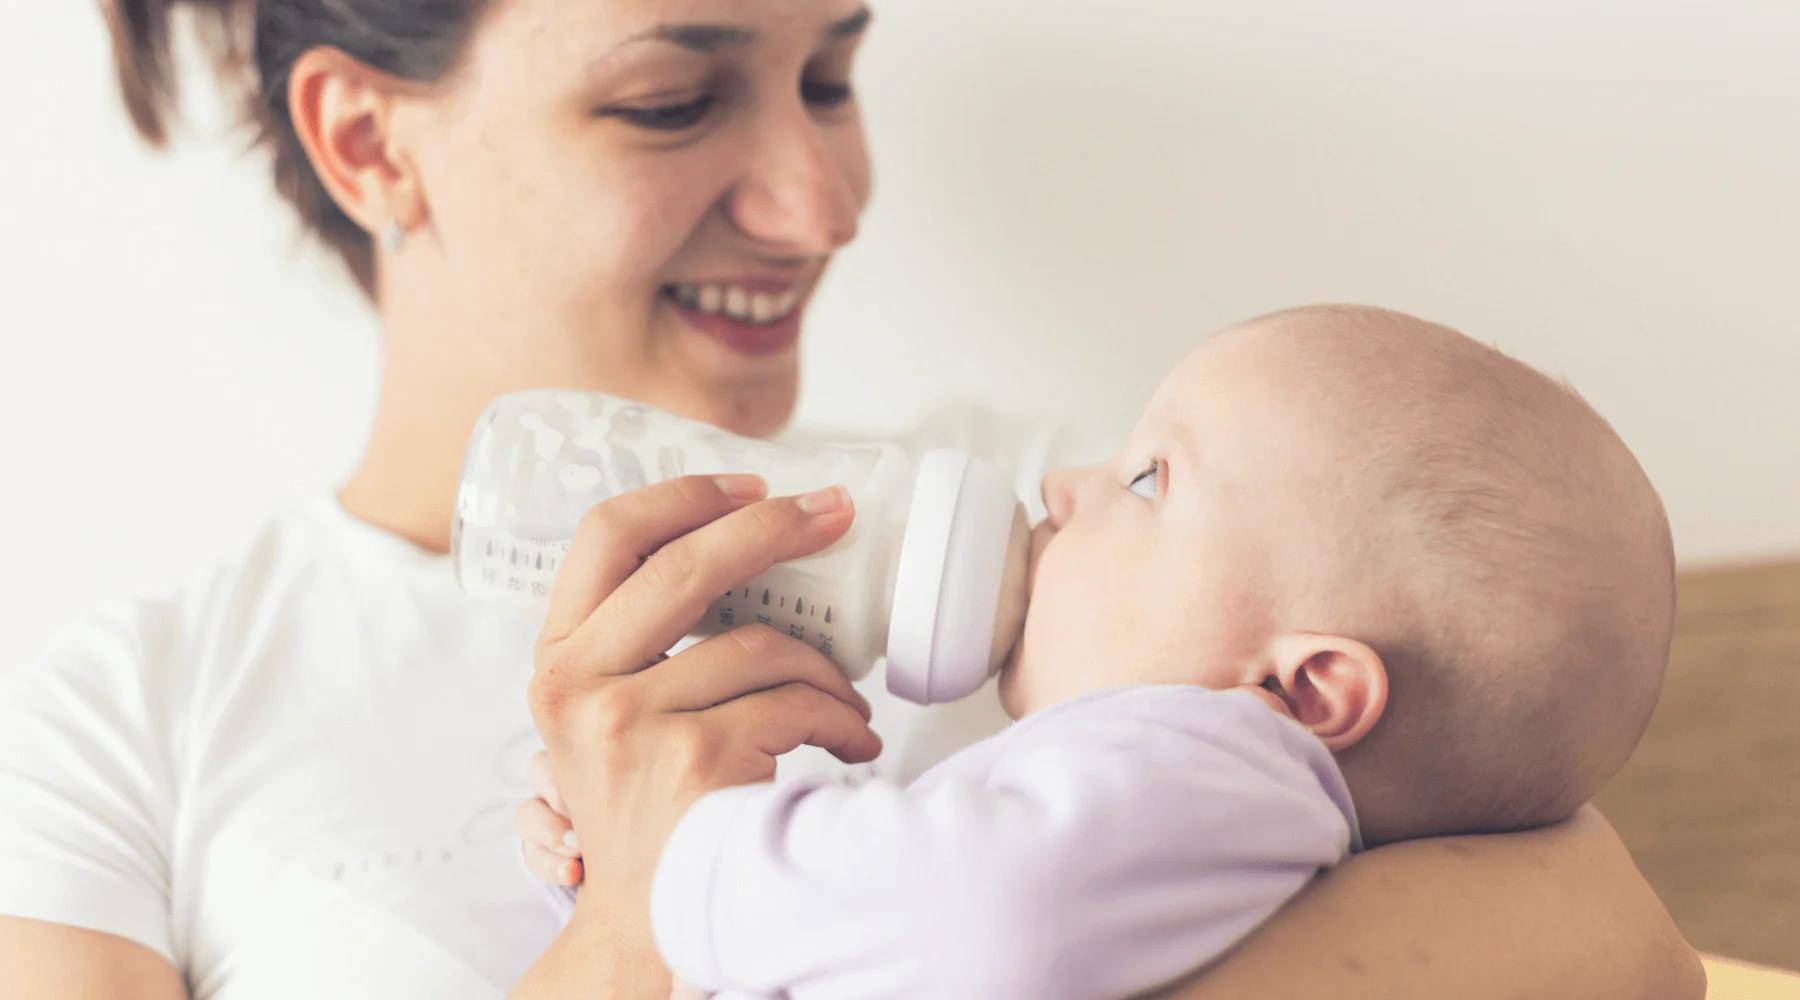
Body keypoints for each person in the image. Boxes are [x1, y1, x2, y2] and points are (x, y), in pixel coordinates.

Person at [0, 1, 1701, 998]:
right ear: (370, 147)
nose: (822, 204)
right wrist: (625, 929)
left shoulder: (1088, 547)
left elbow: (1611, 936)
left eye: (833, 74)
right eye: (674, 99)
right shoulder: (128, 725)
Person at [514, 305, 1675, 998]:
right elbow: (909, 917)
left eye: (1148, 479)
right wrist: (633, 846)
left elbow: (984, 907)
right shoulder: (1188, 809)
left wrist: (684, 856)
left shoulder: (1220, 756)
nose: (1066, 485)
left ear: (1304, 686)